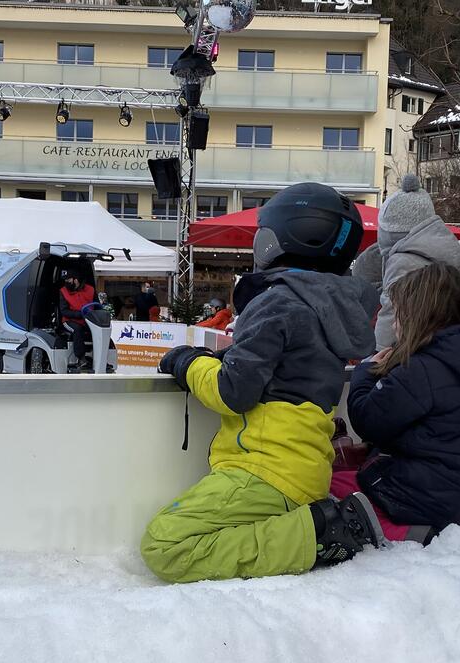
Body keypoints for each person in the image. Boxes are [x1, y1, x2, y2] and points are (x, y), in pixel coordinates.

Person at [142, 182, 381, 583]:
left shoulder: (278, 300)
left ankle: (324, 532)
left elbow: (232, 390)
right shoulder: (328, 305)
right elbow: (281, 371)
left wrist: (185, 362)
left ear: (285, 235)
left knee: (165, 545)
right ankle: (314, 524)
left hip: (265, 471)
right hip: (301, 470)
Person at [344, 263, 460, 538]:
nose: (394, 324)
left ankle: (404, 532)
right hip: (453, 492)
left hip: (418, 497)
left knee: (329, 487)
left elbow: (368, 420)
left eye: (397, 315)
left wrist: (364, 373)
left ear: (417, 315)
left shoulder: (422, 369)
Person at [374, 174, 460, 349]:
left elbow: (391, 310)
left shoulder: (402, 260)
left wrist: (380, 350)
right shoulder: (450, 251)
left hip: (411, 347)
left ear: (389, 227)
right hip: (450, 344)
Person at [59, 269, 96, 371]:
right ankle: (81, 358)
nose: (66, 282)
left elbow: (96, 305)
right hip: (69, 320)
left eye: (68, 280)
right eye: (65, 280)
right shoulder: (63, 291)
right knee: (77, 330)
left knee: (98, 331)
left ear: (76, 280)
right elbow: (64, 311)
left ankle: (100, 359)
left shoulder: (90, 290)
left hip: (88, 320)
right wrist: (78, 314)